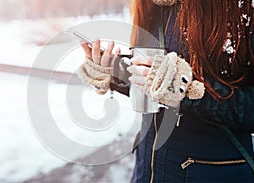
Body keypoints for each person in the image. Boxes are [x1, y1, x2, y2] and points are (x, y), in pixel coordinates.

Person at [79, 0, 254, 182]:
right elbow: (152, 82)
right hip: (146, 172)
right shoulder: (149, 6)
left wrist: (186, 89)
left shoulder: (239, 6)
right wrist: (115, 73)